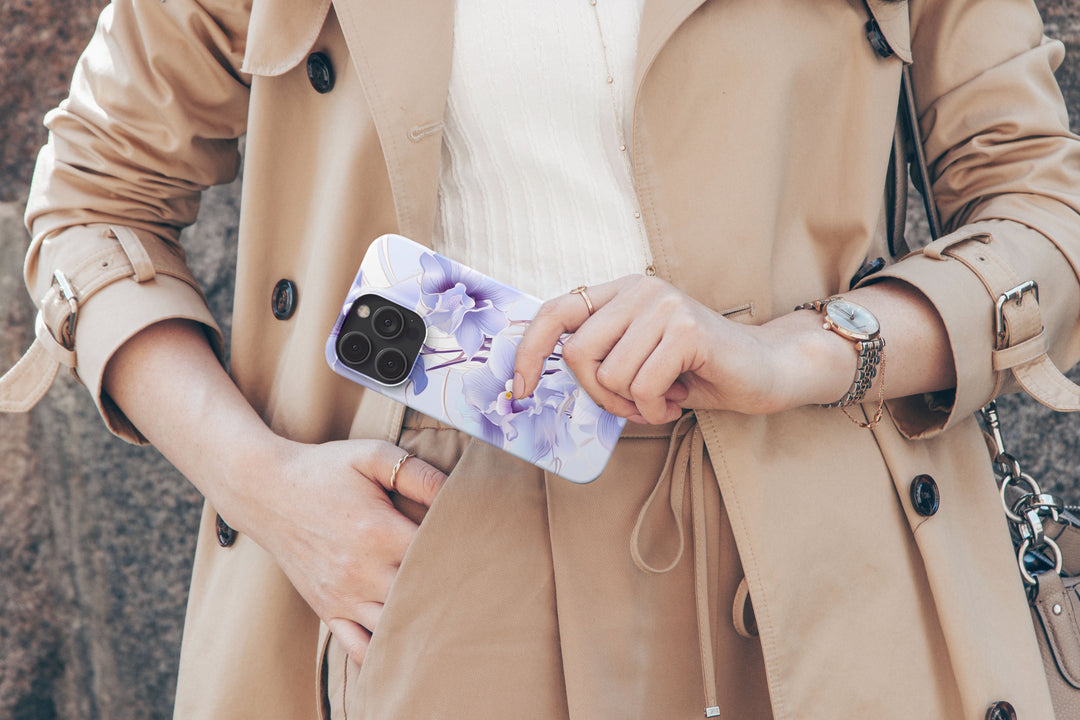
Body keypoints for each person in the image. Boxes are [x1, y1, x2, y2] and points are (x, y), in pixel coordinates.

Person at [3, 0, 1079, 717]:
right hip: (419, 553)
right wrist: (271, 492)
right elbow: (93, 201)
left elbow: (1042, 195)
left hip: (819, 562)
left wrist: (799, 352)